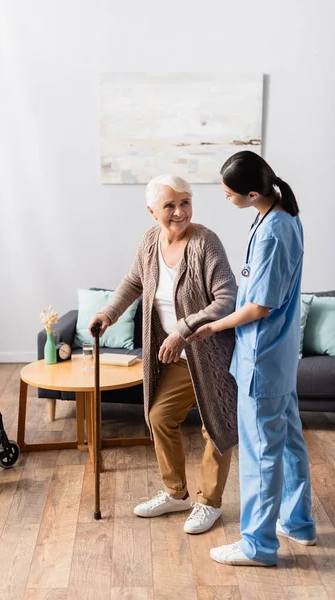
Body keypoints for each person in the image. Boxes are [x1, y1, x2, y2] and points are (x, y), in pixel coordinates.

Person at [89, 174, 238, 534]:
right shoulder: (149, 241)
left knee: (215, 426)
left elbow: (227, 299)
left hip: (213, 354)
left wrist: (183, 331)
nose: (179, 211)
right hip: (178, 357)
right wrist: (108, 313)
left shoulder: (206, 243)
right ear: (151, 211)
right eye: (169, 205)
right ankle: (177, 494)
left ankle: (209, 502)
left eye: (185, 202)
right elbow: (133, 281)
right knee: (159, 416)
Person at [187, 151, 316, 565]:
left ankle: (257, 546)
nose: (225, 198)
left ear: (253, 192)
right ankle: (297, 523)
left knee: (261, 452)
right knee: (290, 442)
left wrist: (215, 326)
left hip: (263, 357)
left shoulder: (275, 230)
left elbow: (260, 306)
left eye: (228, 193)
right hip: (275, 358)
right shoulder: (279, 217)